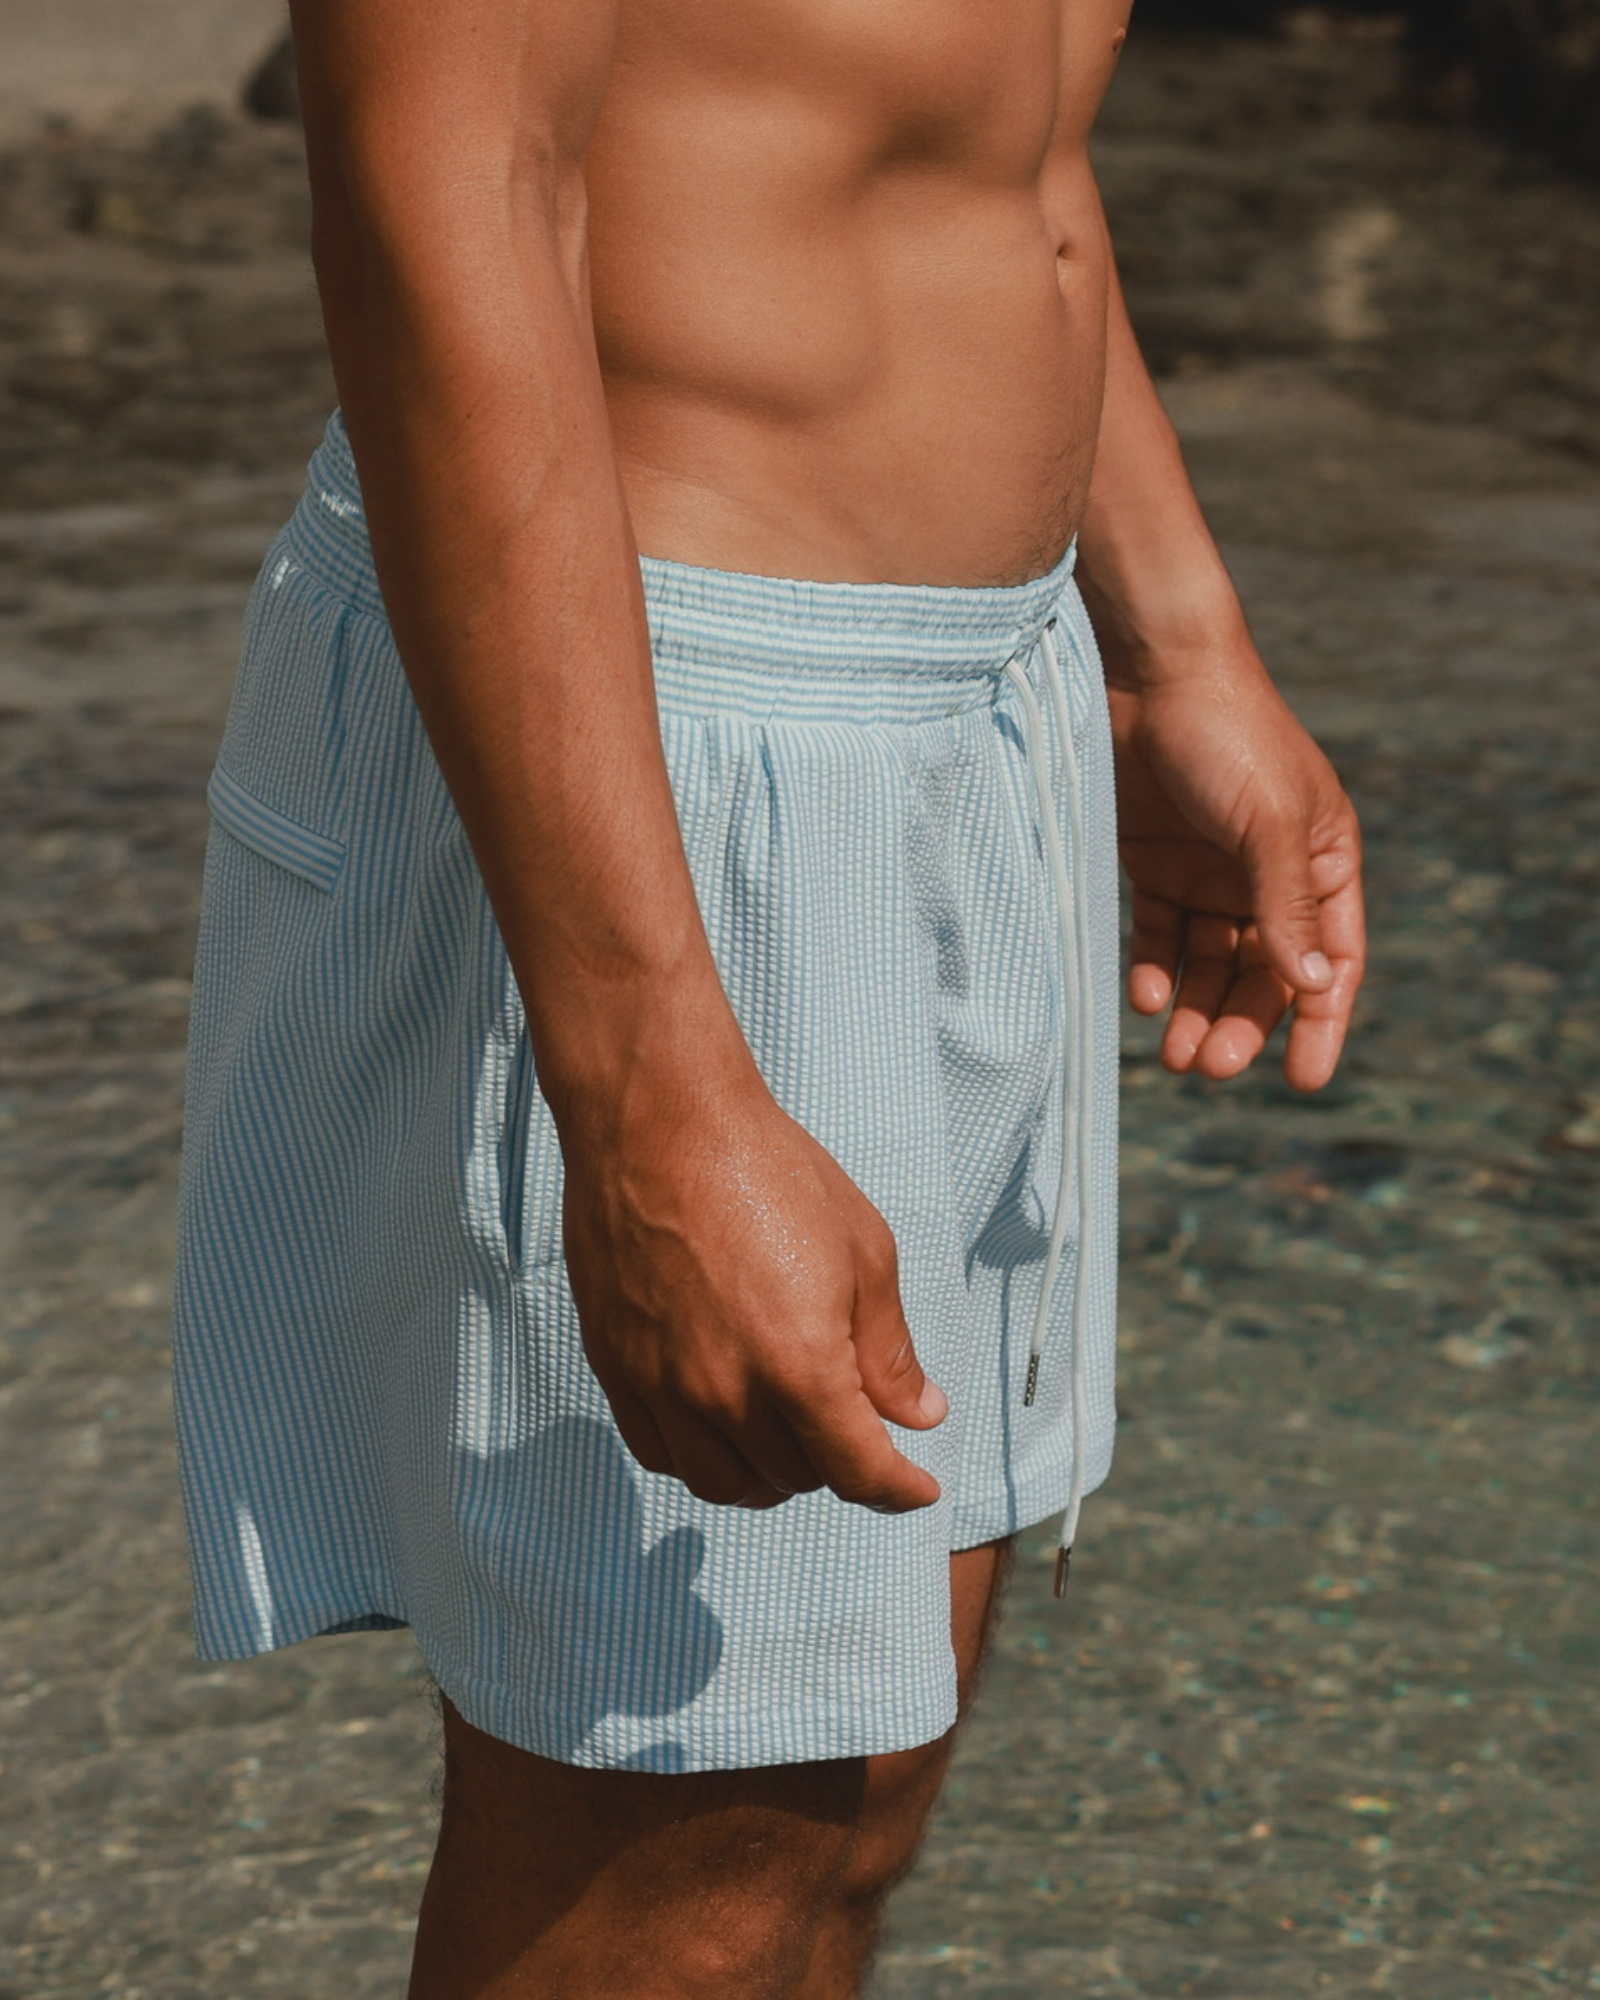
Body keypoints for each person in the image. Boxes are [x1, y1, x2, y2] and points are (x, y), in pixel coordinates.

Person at [170, 0, 1365, 1994]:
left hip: (979, 700)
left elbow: (998, 132)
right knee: (681, 1889)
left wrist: (1168, 632)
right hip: (651, 744)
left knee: (841, 1809)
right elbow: (446, 196)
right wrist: (645, 1078)